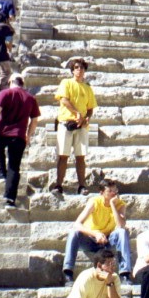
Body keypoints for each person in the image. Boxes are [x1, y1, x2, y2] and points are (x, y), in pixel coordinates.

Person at [0, 74, 40, 208]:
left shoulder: (5, 93)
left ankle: (1, 172)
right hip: (19, 136)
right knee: (14, 167)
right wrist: (28, 135)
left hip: (2, 132)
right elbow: (35, 120)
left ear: (10, 82)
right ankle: (10, 199)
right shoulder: (31, 98)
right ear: (22, 83)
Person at [62, 179, 132, 285]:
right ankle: (68, 273)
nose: (114, 193)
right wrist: (95, 234)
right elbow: (77, 224)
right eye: (110, 191)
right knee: (73, 233)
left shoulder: (120, 204)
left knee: (122, 232)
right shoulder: (94, 202)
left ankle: (125, 275)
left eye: (115, 190)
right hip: (91, 239)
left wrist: (113, 205)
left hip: (108, 240)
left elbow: (121, 225)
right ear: (102, 193)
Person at [52, 58, 97, 196]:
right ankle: (59, 185)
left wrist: (87, 117)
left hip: (81, 125)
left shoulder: (88, 87)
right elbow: (64, 100)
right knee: (63, 155)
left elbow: (90, 107)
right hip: (67, 122)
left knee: (80, 156)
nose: (79, 69)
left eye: (82, 67)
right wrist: (77, 113)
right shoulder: (66, 83)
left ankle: (82, 186)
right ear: (72, 70)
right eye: (76, 67)